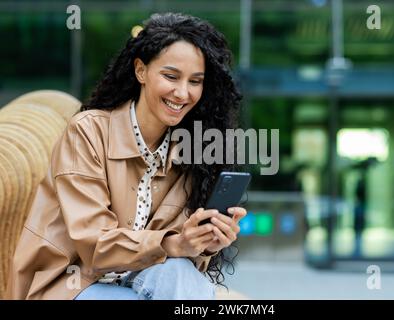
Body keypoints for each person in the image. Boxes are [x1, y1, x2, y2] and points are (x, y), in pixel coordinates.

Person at [6, 12, 245, 300]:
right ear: (140, 71)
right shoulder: (89, 132)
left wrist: (206, 242)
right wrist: (174, 243)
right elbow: (94, 246)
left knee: (180, 272)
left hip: (138, 277)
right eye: (171, 76)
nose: (183, 93)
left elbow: (177, 255)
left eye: (195, 81)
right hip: (70, 284)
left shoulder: (191, 152)